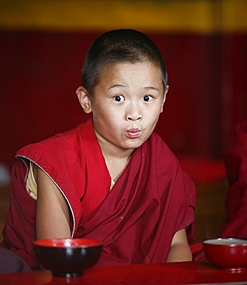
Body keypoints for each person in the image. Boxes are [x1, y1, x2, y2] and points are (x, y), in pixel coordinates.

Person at [1, 29, 196, 269]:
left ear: (163, 99)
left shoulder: (163, 162)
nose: (135, 115)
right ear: (87, 100)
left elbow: (176, 246)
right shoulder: (56, 161)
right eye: (118, 98)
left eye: (147, 98)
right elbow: (56, 258)